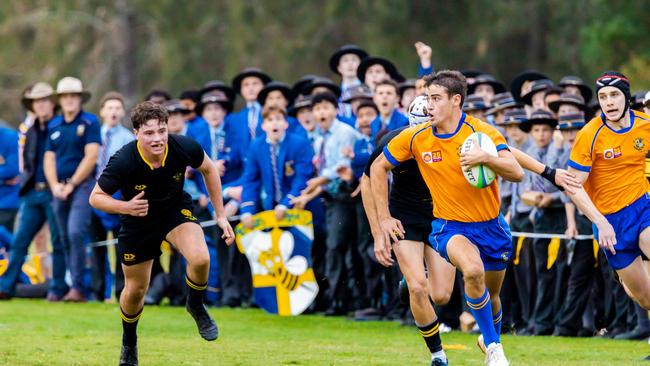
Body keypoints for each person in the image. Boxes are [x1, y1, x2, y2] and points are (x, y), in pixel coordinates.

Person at [371, 70, 523, 365]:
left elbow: (516, 172)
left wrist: (486, 158)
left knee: (491, 295)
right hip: (449, 227)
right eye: (427, 98)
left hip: (492, 227)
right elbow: (377, 168)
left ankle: (489, 337)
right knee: (473, 271)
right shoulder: (416, 137)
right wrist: (384, 218)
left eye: (436, 98)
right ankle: (494, 349)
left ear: (456, 101)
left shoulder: (481, 133)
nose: (429, 105)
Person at [89, 101, 235, 366]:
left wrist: (221, 215)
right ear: (136, 133)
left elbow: (210, 169)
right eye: (149, 133)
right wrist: (126, 206)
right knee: (135, 290)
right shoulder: (123, 160)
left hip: (174, 211)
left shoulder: (183, 145)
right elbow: (96, 198)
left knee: (201, 258)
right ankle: (129, 343)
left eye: (162, 131)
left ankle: (195, 304)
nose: (157, 138)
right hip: (138, 220)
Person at [362, 99, 456, 365]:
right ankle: (437, 354)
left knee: (441, 295)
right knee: (418, 287)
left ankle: (413, 280)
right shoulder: (394, 140)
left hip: (441, 216)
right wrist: (380, 227)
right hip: (405, 217)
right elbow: (367, 180)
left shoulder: (454, 139)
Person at [567, 71, 650, 314]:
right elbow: (573, 186)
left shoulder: (645, 126)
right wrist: (600, 222)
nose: (609, 102)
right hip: (609, 221)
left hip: (642, 207)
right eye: (603, 97)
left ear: (626, 96)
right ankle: (626, 280)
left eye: (614, 95)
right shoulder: (589, 135)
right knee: (645, 299)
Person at [0, 82, 66, 301]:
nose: (41, 105)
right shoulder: (30, 130)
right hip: (32, 193)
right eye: (37, 101)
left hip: (52, 192)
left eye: (45, 100)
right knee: (20, 240)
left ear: (52, 103)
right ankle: (6, 287)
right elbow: (26, 162)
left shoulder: (59, 126)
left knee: (56, 240)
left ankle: (56, 287)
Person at [301, 92, 359, 315]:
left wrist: (318, 182)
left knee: (337, 247)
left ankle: (340, 301)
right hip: (331, 198)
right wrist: (308, 195)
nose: (321, 112)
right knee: (335, 247)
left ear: (336, 110)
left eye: (326, 107)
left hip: (347, 197)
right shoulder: (319, 137)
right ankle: (337, 299)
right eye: (317, 109)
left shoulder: (344, 132)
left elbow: (340, 167)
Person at [44, 76, 101, 302]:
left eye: (73, 96)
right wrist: (55, 185)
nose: (69, 100)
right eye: (65, 96)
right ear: (61, 99)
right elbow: (48, 158)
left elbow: (91, 156)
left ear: (79, 99)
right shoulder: (54, 125)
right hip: (59, 187)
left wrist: (72, 184)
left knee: (76, 232)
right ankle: (66, 285)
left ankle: (78, 287)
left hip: (82, 185)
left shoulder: (89, 122)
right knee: (62, 236)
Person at [90, 92, 135, 302]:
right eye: (109, 108)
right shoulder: (94, 135)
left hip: (118, 196)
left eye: (117, 108)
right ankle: (98, 290)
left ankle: (120, 290)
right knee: (96, 245)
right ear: (102, 111)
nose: (113, 112)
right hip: (96, 195)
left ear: (123, 112)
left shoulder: (128, 138)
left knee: (120, 246)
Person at [240, 106, 314, 227]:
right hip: (271, 207)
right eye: (270, 120)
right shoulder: (256, 146)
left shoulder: (299, 144)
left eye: (279, 119)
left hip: (299, 206)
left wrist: (286, 203)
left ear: (286, 124)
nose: (274, 123)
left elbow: (302, 178)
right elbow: (250, 180)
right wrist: (247, 210)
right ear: (263, 126)